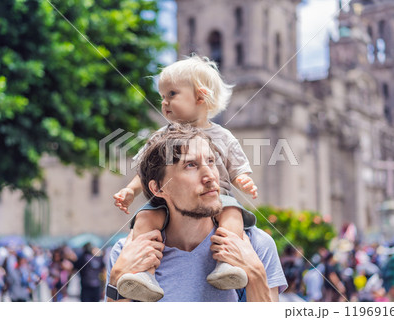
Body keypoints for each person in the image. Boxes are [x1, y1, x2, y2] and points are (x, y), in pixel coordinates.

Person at [113, 56, 259, 301]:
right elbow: (146, 172)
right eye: (162, 96)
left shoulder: (222, 136)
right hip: (167, 199)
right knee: (145, 218)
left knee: (232, 215)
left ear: (200, 97)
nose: (164, 102)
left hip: (218, 197)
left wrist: (242, 179)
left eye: (171, 94)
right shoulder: (162, 137)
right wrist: (130, 190)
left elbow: (237, 168)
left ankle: (226, 263)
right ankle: (143, 273)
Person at [107, 124, 287, 301]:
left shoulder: (255, 245)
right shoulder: (127, 254)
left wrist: (255, 274)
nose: (210, 176)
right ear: (159, 188)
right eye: (190, 165)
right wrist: (116, 280)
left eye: (211, 161)